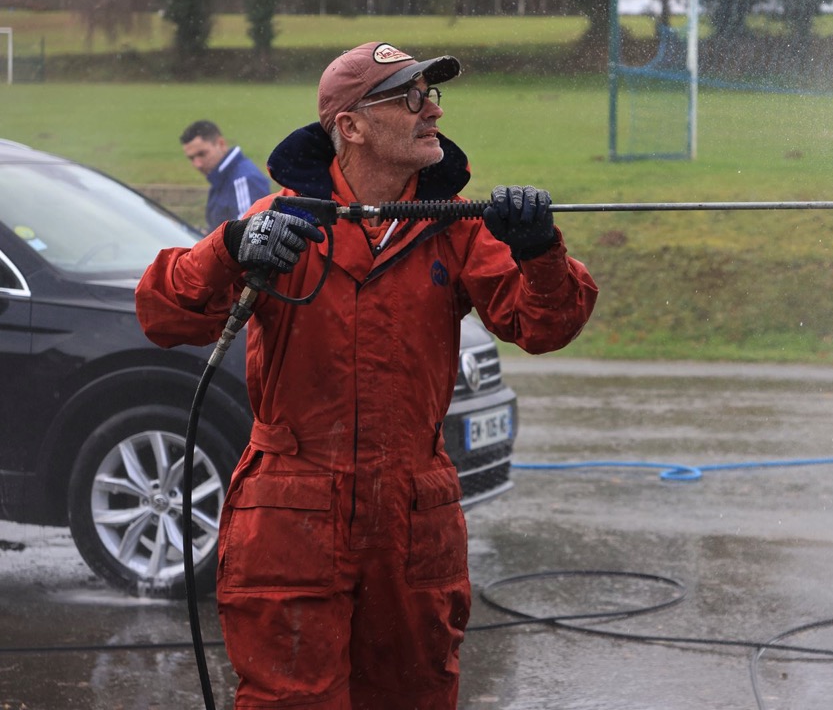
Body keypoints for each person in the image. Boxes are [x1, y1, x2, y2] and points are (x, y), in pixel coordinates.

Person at [136, 42, 598, 709]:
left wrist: (539, 250)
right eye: (410, 97)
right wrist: (230, 248)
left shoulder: (454, 227)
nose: (433, 110)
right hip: (292, 513)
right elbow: (161, 313)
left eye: (431, 95)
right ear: (350, 125)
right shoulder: (284, 223)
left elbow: (545, 324)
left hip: (413, 519)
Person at [179, 119, 272, 231]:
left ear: (221, 144)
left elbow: (249, 234)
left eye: (202, 154)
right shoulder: (221, 178)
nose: (197, 164)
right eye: (191, 158)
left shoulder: (244, 180)